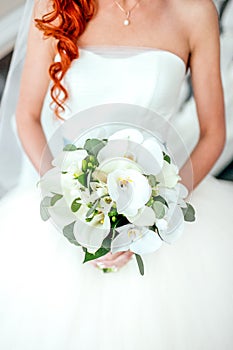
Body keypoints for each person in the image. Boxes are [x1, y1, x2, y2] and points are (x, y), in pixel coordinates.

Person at [0, 0, 233, 349]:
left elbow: (214, 132)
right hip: (70, 199)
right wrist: (71, 205)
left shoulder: (194, 11)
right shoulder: (54, 6)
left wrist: (157, 211)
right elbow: (27, 117)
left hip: (164, 206)